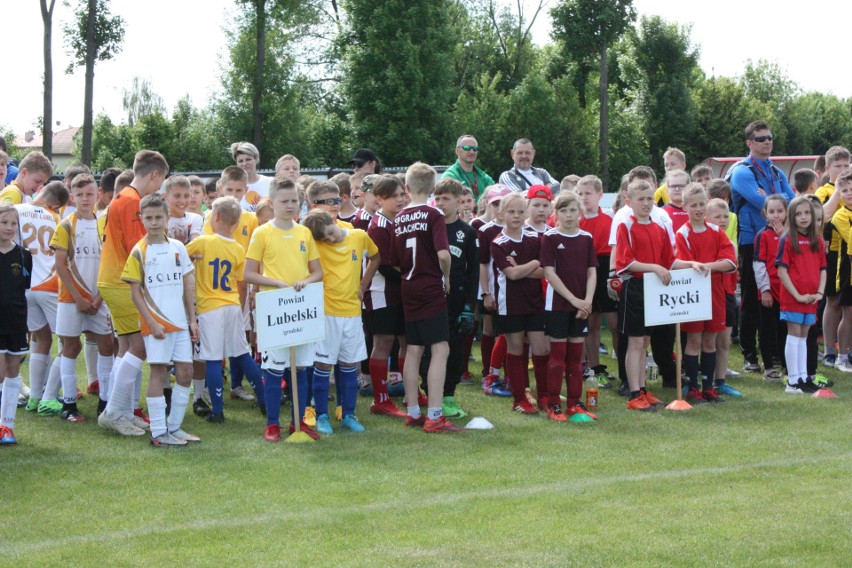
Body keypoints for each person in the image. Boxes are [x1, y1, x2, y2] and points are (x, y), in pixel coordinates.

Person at [244, 178, 324, 442]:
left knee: (300, 368)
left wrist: (306, 281)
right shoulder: (262, 232)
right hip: (274, 309)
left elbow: (318, 273)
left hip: (301, 308)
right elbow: (248, 274)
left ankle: (298, 421)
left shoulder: (304, 233)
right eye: (284, 201)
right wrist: (276, 282)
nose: (290, 206)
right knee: (275, 369)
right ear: (272, 202)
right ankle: (272, 423)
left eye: (294, 201)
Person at [615, 179, 704, 411]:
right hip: (635, 289)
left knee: (644, 342)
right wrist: (654, 268)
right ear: (629, 201)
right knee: (634, 343)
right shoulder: (626, 225)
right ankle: (634, 392)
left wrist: (692, 263)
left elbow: (669, 261)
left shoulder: (660, 227)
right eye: (640, 199)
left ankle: (643, 390)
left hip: (654, 290)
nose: (646, 203)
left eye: (649, 199)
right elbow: (625, 263)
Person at [98, 150, 170, 437]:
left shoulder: (124, 198)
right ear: (154, 174)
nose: (160, 187)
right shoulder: (130, 201)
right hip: (121, 281)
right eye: (161, 180)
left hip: (115, 280)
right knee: (139, 347)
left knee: (127, 348)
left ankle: (123, 410)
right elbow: (135, 246)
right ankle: (114, 412)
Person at [122, 194, 200, 446]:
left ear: (167, 218)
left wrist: (192, 320)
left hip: (179, 323)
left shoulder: (178, 247)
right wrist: (151, 323)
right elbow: (135, 292)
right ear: (141, 219)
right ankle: (157, 433)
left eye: (159, 217)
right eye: (149, 218)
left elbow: (188, 284)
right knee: (159, 371)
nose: (154, 222)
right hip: (156, 325)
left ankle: (175, 427)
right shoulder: (138, 251)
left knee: (186, 372)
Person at [393, 162, 463, 433]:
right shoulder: (434, 214)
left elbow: (395, 260)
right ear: (433, 189)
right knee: (440, 349)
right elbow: (443, 255)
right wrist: (445, 277)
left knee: (413, 349)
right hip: (429, 285)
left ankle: (412, 412)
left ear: (407, 188)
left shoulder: (398, 217)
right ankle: (434, 414)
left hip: (407, 284)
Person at [186, 196, 265, 423]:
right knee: (241, 353)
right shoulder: (238, 248)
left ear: (216, 217)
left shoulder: (204, 241)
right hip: (231, 305)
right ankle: (264, 399)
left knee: (211, 358)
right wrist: (239, 309)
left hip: (210, 307)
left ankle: (217, 410)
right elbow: (241, 284)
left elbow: (180, 254)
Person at [302, 210, 379, 434]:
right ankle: (322, 415)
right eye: (325, 239)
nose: (330, 240)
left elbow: (376, 257)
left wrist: (364, 284)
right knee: (323, 365)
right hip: (326, 313)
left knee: (348, 364)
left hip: (352, 313)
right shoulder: (316, 245)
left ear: (334, 221)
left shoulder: (359, 236)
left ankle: (348, 414)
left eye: (330, 233)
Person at [729, 120, 795, 373]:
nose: (766, 141)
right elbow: (766, 203)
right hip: (751, 242)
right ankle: (749, 355)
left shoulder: (776, 172)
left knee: (778, 299)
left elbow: (789, 202)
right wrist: (775, 200)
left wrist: (775, 200)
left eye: (769, 137)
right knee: (751, 299)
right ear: (749, 143)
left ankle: (775, 353)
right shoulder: (743, 172)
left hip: (779, 241)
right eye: (760, 138)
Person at [50, 174, 114, 421]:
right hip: (70, 298)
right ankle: (68, 403)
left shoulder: (104, 223)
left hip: (100, 297)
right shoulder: (66, 224)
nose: (85, 199)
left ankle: (105, 401)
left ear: (98, 194)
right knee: (71, 346)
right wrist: (78, 297)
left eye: (89, 194)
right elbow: (60, 265)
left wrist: (98, 298)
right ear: (72, 197)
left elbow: (110, 262)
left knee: (107, 345)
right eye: (80, 195)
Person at [201, 166, 260, 403]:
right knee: (215, 343)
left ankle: (236, 385)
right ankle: (209, 386)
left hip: (242, 287)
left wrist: (253, 288)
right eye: (229, 189)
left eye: (238, 190)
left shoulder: (251, 219)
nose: (234, 195)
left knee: (240, 338)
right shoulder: (211, 216)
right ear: (219, 188)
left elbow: (256, 255)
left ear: (246, 191)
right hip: (215, 292)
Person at [420, 178, 478, 419]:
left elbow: (473, 271)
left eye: (446, 199)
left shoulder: (467, 231)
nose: (441, 203)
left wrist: (469, 307)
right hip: (431, 297)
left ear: (458, 202)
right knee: (428, 348)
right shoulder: (428, 226)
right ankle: (426, 390)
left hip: (457, 298)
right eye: (438, 198)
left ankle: (448, 395)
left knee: (454, 348)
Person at [675, 185, 737, 404]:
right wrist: (699, 265)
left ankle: (708, 387)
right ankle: (692, 388)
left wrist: (707, 266)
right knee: (693, 341)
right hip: (692, 296)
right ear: (685, 207)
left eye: (702, 204)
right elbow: (682, 264)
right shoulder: (682, 234)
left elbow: (730, 262)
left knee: (710, 342)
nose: (698, 209)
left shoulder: (716, 232)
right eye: (693, 205)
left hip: (715, 294)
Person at [490, 192, 549, 415]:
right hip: (510, 304)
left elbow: (545, 272)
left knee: (541, 348)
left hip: (534, 302)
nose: (516, 215)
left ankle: (543, 395)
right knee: (515, 349)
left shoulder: (535, 239)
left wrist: (524, 267)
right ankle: (519, 398)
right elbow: (512, 275)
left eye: (520, 211)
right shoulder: (499, 243)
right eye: (511, 211)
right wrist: (533, 263)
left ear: (526, 213)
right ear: (501, 213)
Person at [542, 191, 596, 421]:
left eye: (573, 210)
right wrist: (574, 300)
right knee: (557, 357)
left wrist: (588, 301)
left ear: (580, 213)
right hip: (558, 306)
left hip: (582, 306)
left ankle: (574, 403)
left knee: (576, 357)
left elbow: (592, 272)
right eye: (563, 210)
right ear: (556, 214)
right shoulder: (550, 238)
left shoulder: (586, 238)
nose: (568, 215)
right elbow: (549, 273)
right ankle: (554, 404)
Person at [17, 181, 68, 416]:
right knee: (69, 342)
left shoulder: (16, 211)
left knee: (40, 337)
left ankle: (35, 397)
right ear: (57, 205)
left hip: (24, 286)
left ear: (40, 192)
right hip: (49, 284)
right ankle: (48, 398)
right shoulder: (55, 219)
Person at [363, 175, 409, 419]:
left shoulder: (399, 220)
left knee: (405, 341)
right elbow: (385, 266)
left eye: (402, 194)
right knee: (383, 343)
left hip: (399, 291)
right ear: (379, 199)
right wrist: (412, 274)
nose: (400, 200)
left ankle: (409, 391)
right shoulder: (379, 225)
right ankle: (380, 398)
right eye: (394, 196)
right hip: (380, 292)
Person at [778, 196, 826, 394]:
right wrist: (797, 295)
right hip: (794, 298)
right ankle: (793, 381)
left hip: (811, 298)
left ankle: (804, 377)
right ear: (792, 216)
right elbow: (782, 271)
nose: (804, 217)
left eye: (807, 213)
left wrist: (820, 293)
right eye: (799, 214)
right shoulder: (788, 240)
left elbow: (823, 268)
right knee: (794, 334)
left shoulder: (818, 241)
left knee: (805, 336)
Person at [576, 175, 617, 387]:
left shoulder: (610, 220)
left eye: (588, 193)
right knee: (590, 323)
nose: (584, 198)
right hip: (583, 270)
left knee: (614, 323)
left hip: (606, 269)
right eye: (580, 194)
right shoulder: (574, 220)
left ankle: (626, 372)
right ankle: (594, 367)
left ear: (600, 195)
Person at [814, 146, 851, 368]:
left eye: (847, 166)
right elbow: (824, 215)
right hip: (831, 252)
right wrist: (839, 188)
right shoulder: (824, 190)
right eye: (838, 166)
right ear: (828, 169)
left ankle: (845, 351)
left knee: (848, 305)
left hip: (848, 252)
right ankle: (829, 350)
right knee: (833, 302)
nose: (843, 170)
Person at [0, 203, 33, 445]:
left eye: (13, 223)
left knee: (13, 371)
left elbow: (24, 289)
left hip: (17, 321)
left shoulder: (23, 255)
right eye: (4, 223)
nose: (9, 228)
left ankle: (7, 426)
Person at [704, 198, 743, 397]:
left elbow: (731, 263)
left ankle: (720, 381)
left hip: (727, 294)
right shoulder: (704, 238)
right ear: (706, 217)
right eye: (717, 216)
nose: (722, 220)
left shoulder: (729, 240)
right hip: (708, 294)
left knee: (724, 341)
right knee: (706, 341)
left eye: (726, 216)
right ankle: (704, 381)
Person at [478, 184, 512, 397]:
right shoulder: (485, 230)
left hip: (515, 290)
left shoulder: (522, 228)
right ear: (488, 205)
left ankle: (510, 375)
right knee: (498, 332)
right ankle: (490, 375)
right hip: (496, 290)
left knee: (513, 335)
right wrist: (486, 292)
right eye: (496, 203)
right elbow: (482, 264)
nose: (500, 208)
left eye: (504, 203)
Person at [753, 194, 789, 381]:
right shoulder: (763, 235)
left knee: (785, 330)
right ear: (765, 213)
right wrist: (765, 290)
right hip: (768, 293)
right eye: (772, 211)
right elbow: (758, 264)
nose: (776, 215)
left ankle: (786, 366)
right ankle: (768, 367)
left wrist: (784, 235)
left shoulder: (790, 235)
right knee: (767, 330)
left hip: (787, 293)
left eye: (780, 211)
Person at [441, 135, 495, 200]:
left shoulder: (484, 177)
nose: (472, 151)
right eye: (467, 148)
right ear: (457, 151)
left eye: (475, 148)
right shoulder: (450, 176)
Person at [164, 176, 204, 245]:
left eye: (186, 196)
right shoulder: (160, 219)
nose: (182, 201)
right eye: (177, 196)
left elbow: (195, 244)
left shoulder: (195, 218)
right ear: (165, 197)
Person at [231, 142, 271, 211]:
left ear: (256, 159)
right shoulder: (233, 187)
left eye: (248, 159)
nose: (245, 164)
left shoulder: (270, 183)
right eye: (240, 161)